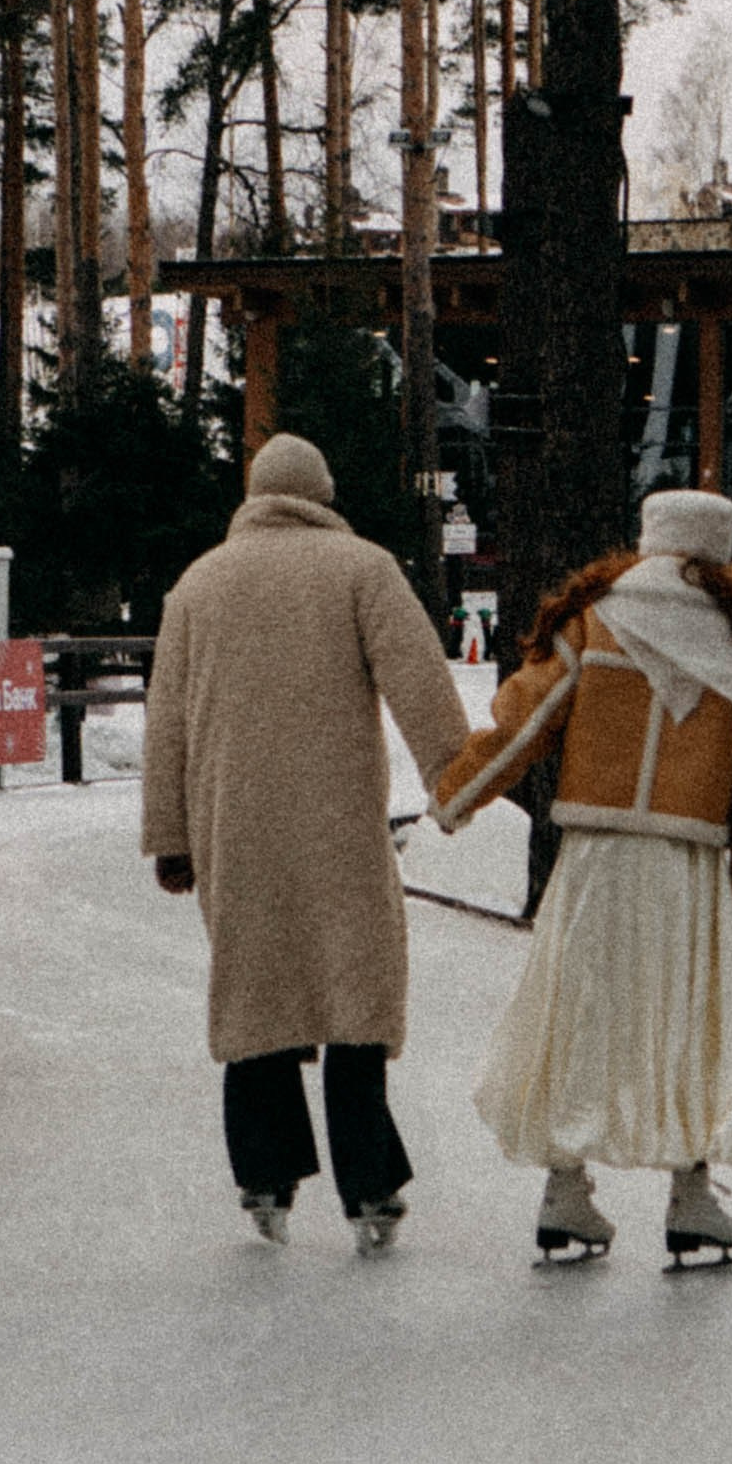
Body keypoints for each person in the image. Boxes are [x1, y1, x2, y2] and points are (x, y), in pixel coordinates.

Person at [429, 486, 732, 1266]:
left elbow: (522, 722)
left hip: (595, 855)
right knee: (688, 1021)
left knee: (576, 1013)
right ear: (718, 549)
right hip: (686, 863)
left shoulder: (593, 619)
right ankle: (690, 1195)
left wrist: (456, 794)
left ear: (648, 536)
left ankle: (565, 1189)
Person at [142, 428, 470, 1252]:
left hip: (234, 827)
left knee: (256, 994)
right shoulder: (362, 567)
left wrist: (171, 837)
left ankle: (264, 1176)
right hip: (338, 825)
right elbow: (420, 680)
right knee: (353, 993)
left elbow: (166, 723)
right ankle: (371, 1188)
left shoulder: (197, 585)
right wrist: (454, 779)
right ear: (322, 496)